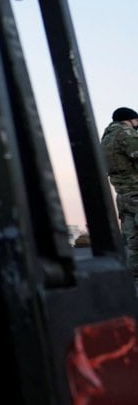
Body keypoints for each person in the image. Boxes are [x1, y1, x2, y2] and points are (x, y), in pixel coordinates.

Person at [100, 106, 138, 295]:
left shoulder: (107, 138)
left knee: (132, 245)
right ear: (129, 119)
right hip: (136, 192)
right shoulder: (126, 134)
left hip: (123, 196)